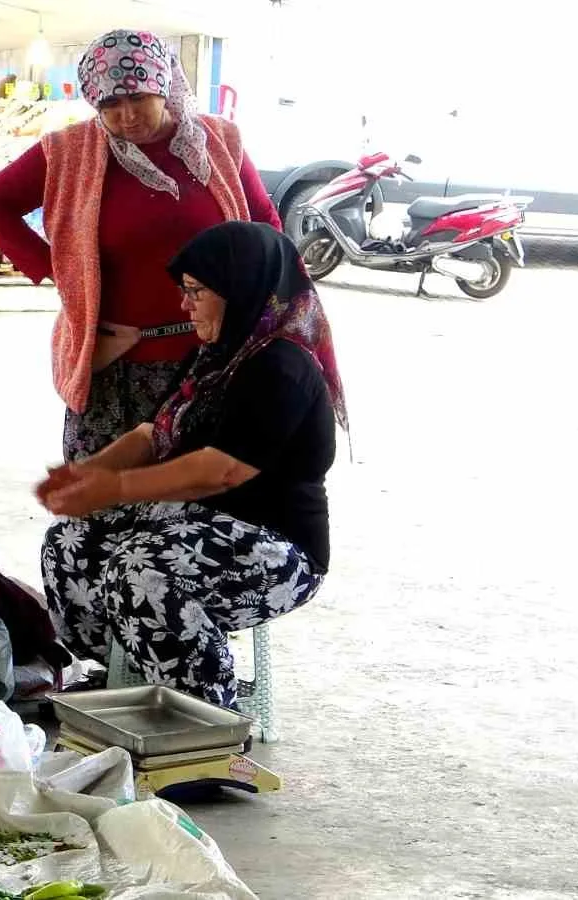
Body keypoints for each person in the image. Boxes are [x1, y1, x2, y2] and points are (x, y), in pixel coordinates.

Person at [36, 221, 347, 708]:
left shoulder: (282, 366)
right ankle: (127, 677)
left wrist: (115, 488)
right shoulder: (216, 358)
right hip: (198, 524)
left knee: (141, 571)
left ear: (240, 286)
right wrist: (84, 476)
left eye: (197, 291)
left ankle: (207, 718)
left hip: (277, 546)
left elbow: (221, 471)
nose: (185, 305)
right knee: (69, 540)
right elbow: (152, 434)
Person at [0, 29, 282, 462]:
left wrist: (270, 309)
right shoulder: (71, 150)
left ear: (164, 86)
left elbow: (265, 222)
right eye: (109, 105)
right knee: (101, 508)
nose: (126, 116)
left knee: (196, 512)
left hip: (213, 362)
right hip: (114, 370)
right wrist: (61, 271)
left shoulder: (219, 142)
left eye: (137, 98)